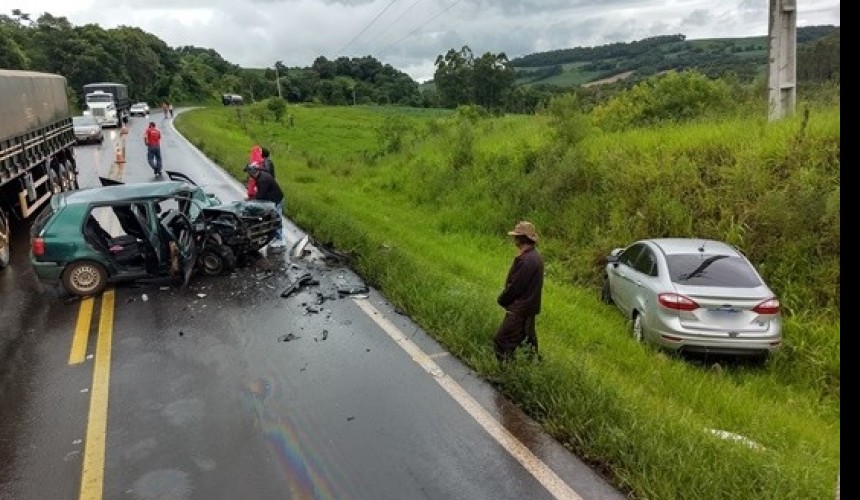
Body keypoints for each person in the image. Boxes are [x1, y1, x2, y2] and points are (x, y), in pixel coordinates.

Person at [493, 221, 544, 363]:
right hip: (529, 308)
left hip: (519, 310)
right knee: (528, 346)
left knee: (502, 341)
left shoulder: (526, 260)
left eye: (517, 236)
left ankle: (507, 375)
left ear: (522, 238)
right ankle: (526, 374)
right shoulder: (535, 256)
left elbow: (515, 287)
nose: (514, 239)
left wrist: (502, 299)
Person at [244, 164, 285, 249]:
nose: (249, 176)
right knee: (272, 218)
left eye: (249, 173)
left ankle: (280, 240)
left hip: (276, 200)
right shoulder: (261, 175)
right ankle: (275, 237)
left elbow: (260, 196)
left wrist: (251, 200)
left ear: (252, 173)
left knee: (276, 219)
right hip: (272, 199)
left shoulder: (262, 180)